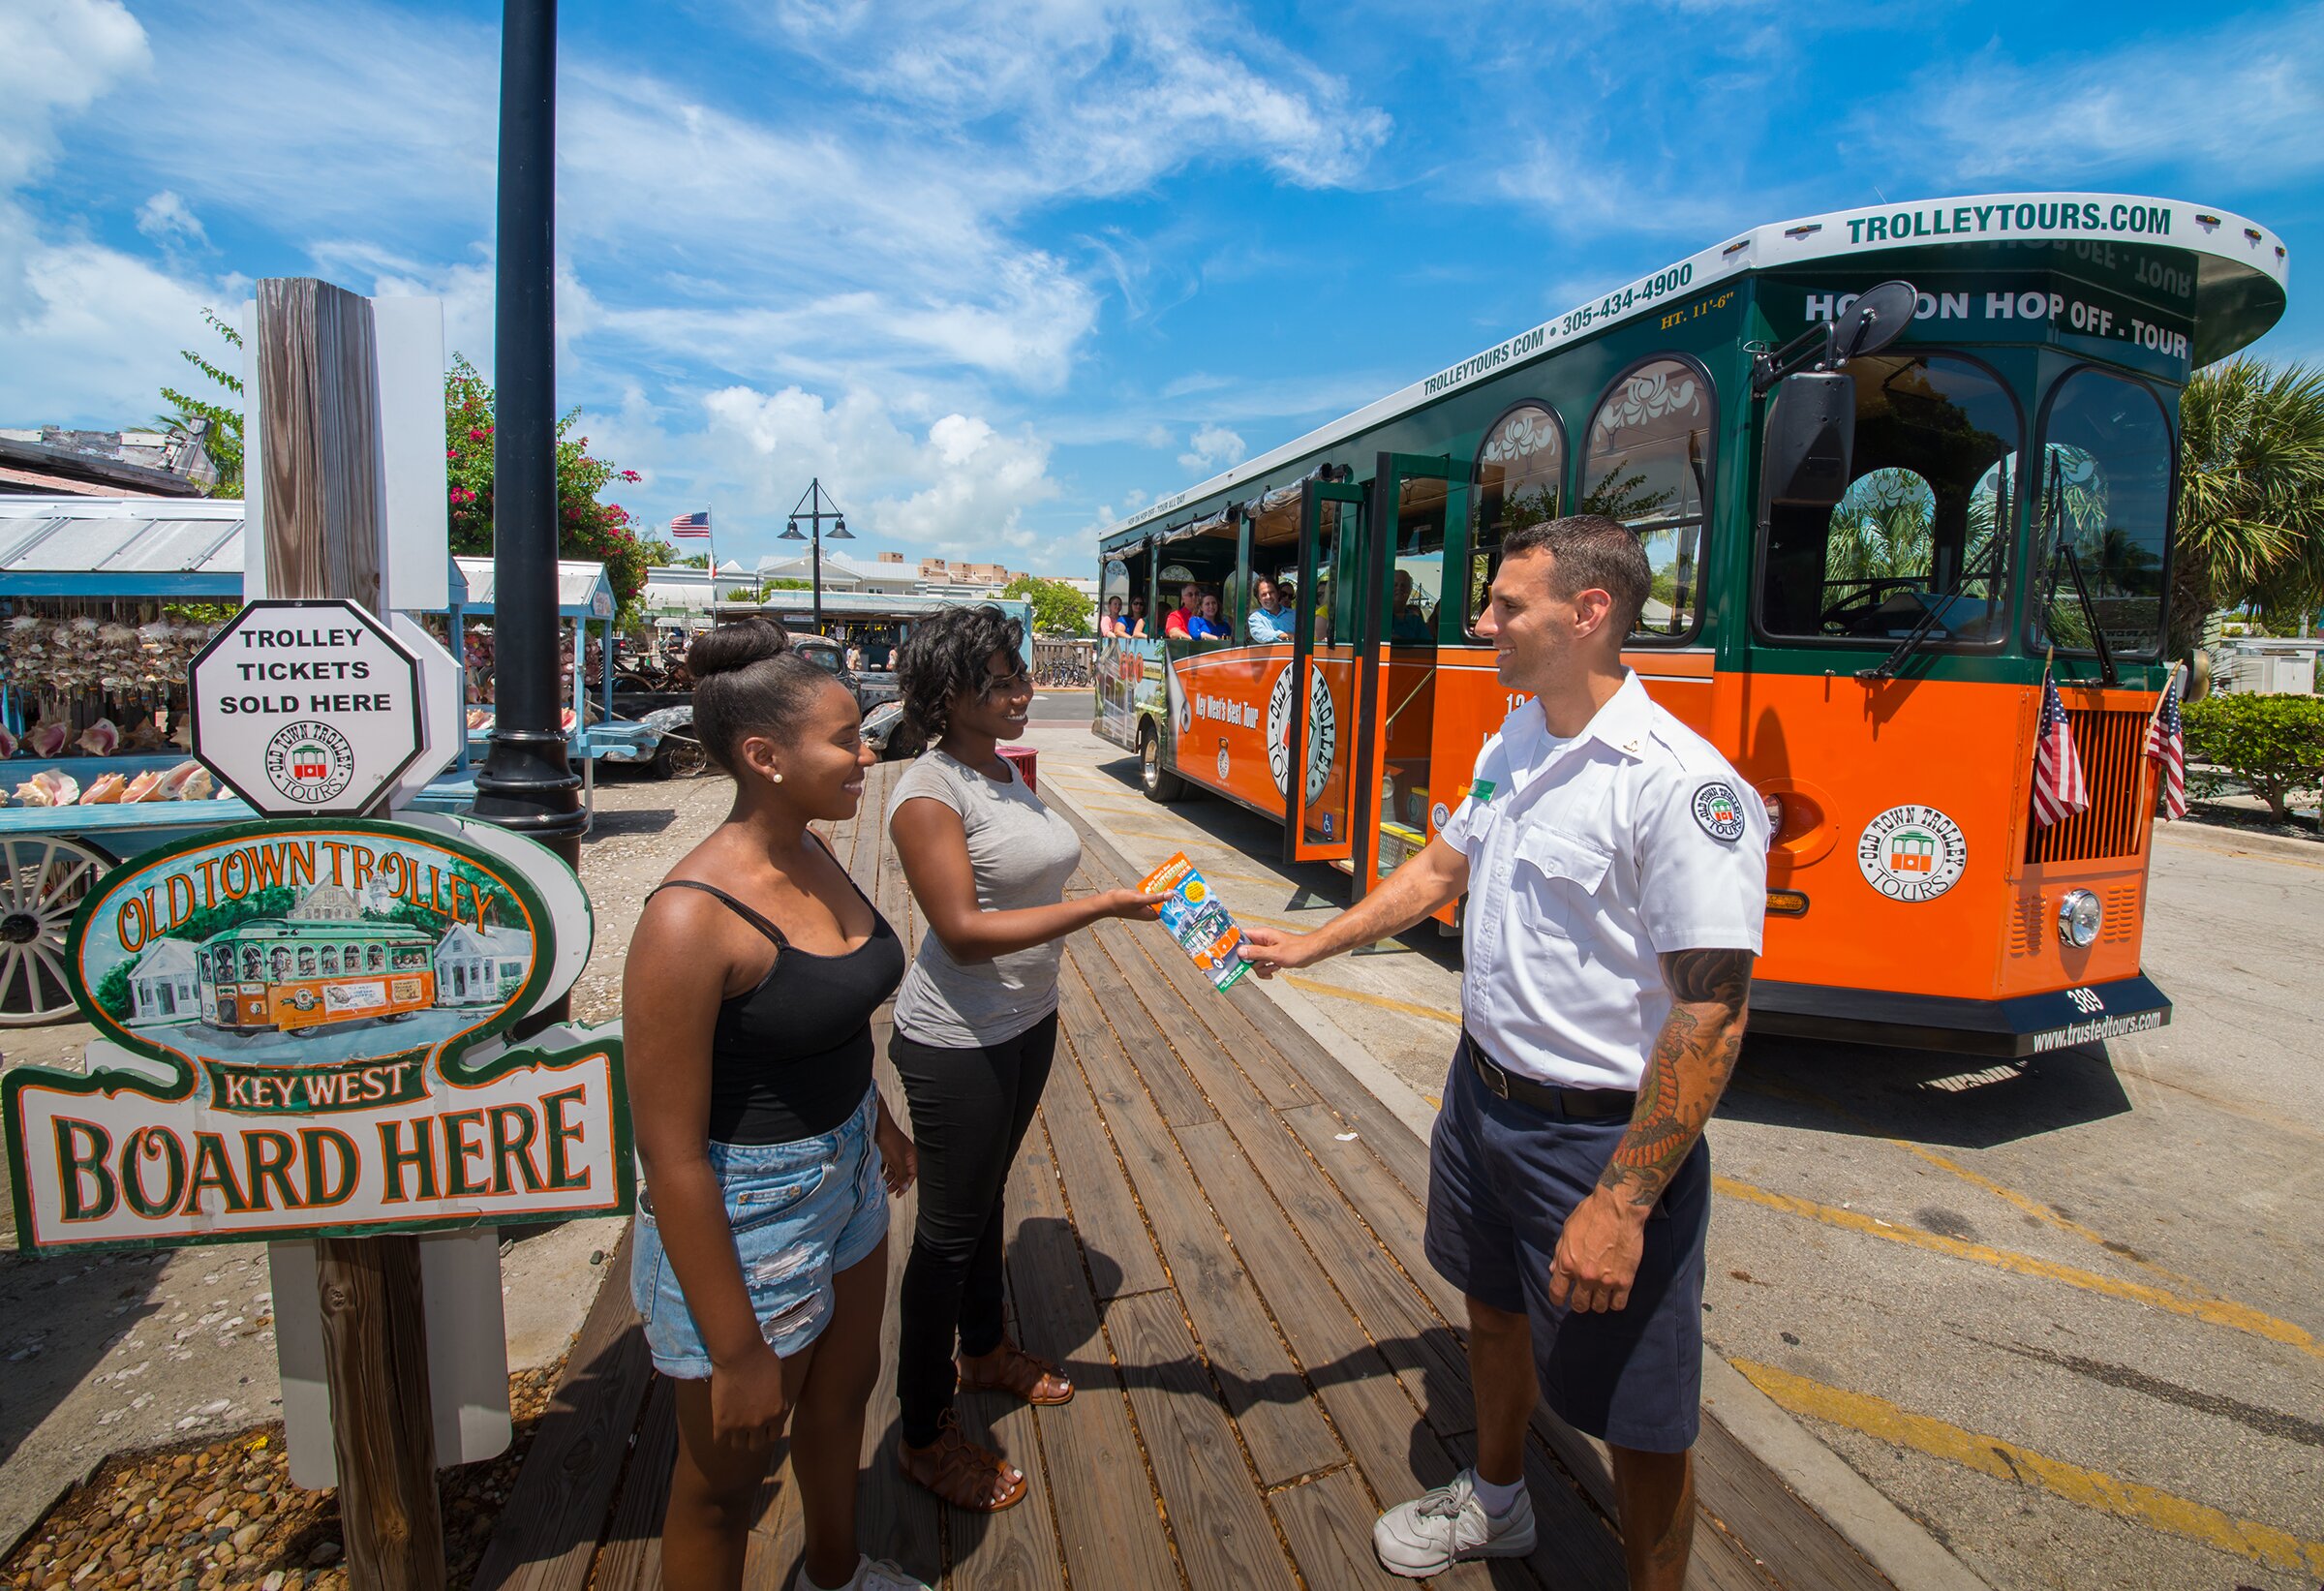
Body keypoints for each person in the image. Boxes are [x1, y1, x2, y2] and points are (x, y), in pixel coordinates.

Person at [1237, 515, 1768, 1588]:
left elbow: (1711, 1013)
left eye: (1506, 605)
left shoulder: (1678, 783)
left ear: (1589, 612)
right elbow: (1440, 869)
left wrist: (1622, 1202)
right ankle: (1498, 1500)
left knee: (1641, 1416)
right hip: (1481, 1098)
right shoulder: (1513, 735)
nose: (1480, 622)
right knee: (1490, 1309)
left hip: (1599, 1138)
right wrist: (1312, 940)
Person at [625, 618, 928, 1591]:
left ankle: (832, 1574)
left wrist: (872, 1112)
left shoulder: (812, 846)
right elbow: (670, 1156)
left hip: (845, 1170)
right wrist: (735, 1346)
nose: (866, 753)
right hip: (748, 1211)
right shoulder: (688, 918)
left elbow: (825, 1011)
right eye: (844, 739)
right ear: (763, 756)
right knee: (722, 1485)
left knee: (844, 1403)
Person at [885, 604, 1165, 1511]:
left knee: (989, 1194)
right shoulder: (930, 791)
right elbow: (962, 934)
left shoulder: (998, 768)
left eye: (1020, 675)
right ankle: (923, 1429)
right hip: (955, 1037)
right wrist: (1102, 907)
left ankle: (986, 1349)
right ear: (949, 694)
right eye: (1002, 680)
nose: (1023, 691)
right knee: (946, 1233)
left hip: (1025, 1019)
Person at [1391, 569, 1434, 644]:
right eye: (1395, 585)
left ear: (1410, 590)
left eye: (1403, 585)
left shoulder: (1416, 621)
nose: (1399, 588)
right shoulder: (1380, 617)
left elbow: (1427, 646)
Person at [1247, 576, 1291, 643]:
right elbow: (1261, 635)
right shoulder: (1255, 618)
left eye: (1271, 592)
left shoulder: (1296, 616)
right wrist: (1285, 636)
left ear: (1278, 594)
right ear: (1259, 598)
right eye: (1264, 594)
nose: (1268, 597)